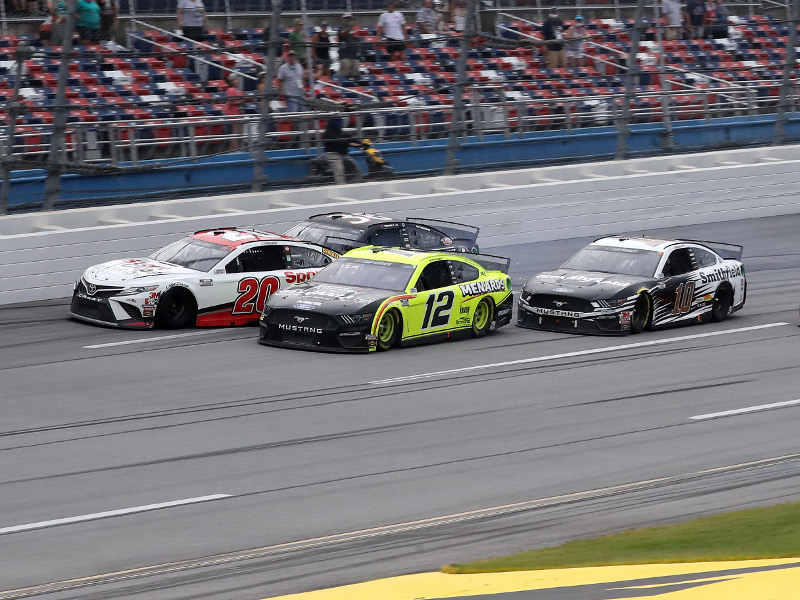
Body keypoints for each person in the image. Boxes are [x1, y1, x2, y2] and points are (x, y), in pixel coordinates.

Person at [322, 118, 359, 185]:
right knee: (339, 171)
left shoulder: (338, 130)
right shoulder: (329, 131)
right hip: (333, 154)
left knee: (355, 168)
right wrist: (349, 143)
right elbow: (337, 140)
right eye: (336, 120)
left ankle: (357, 183)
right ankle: (341, 186)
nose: (338, 122)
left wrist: (359, 143)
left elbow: (347, 137)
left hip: (343, 154)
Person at [338, 13, 360, 79]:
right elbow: (343, 34)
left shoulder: (354, 30)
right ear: (343, 19)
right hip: (345, 56)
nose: (348, 20)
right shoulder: (341, 28)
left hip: (354, 55)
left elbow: (357, 40)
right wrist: (350, 27)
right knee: (345, 75)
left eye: (349, 18)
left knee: (355, 74)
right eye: (346, 18)